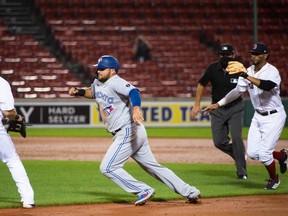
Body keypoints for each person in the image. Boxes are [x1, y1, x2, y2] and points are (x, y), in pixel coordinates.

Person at [68, 55, 200, 206]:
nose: (98, 71)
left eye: (102, 69)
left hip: (128, 131)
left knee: (108, 167)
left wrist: (136, 109)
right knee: (153, 167)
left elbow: (134, 92)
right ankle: (190, 191)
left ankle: (142, 190)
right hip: (133, 132)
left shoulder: (116, 82)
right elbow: (92, 92)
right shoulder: (98, 82)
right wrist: (78, 91)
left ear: (112, 71)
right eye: (98, 68)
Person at [203, 42, 287, 190]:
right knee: (253, 153)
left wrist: (245, 75)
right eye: (252, 54)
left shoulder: (271, 71)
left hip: (274, 116)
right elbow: (237, 91)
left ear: (266, 55)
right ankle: (281, 156)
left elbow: (266, 86)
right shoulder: (248, 70)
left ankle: (274, 179)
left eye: (257, 54)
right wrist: (219, 104)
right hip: (258, 116)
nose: (253, 56)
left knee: (264, 154)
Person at [191, 44, 248, 179]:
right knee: (218, 142)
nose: (225, 57)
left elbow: (246, 86)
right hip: (217, 109)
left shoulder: (239, 69)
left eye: (227, 55)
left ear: (233, 55)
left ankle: (242, 172)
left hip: (235, 108)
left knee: (236, 137)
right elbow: (201, 84)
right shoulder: (212, 68)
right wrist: (197, 104)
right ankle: (238, 153)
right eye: (222, 55)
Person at [0, 76, 35, 208]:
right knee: (12, 160)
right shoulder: (1, 83)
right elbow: (8, 112)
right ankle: (28, 199)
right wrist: (18, 117)